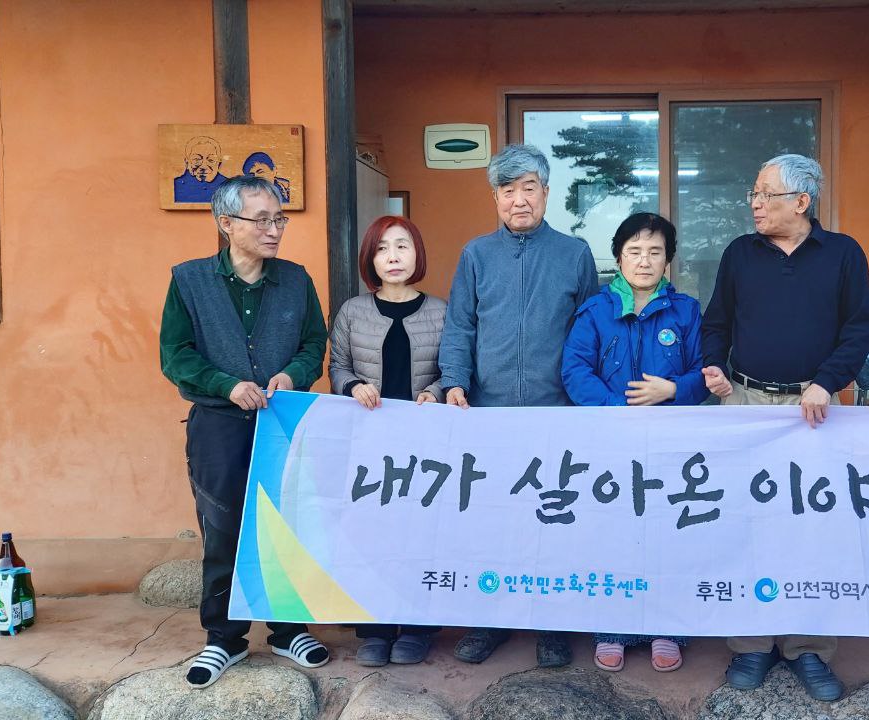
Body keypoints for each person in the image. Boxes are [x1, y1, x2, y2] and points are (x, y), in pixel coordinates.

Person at [700, 153, 869, 701]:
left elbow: (859, 329)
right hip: (745, 402)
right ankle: (751, 644)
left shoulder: (843, 254)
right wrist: (714, 367)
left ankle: (809, 647)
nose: (754, 203)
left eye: (765, 194)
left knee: (812, 527)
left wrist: (826, 381)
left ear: (801, 201)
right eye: (753, 194)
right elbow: (716, 322)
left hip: (814, 409)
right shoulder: (739, 253)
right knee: (744, 524)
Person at [159, 176, 330, 688]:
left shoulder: (295, 280)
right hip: (218, 425)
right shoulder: (189, 281)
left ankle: (288, 630)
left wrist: (293, 375)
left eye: (279, 219)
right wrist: (226, 384)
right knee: (222, 527)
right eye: (262, 220)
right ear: (226, 224)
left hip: (281, 422)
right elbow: (176, 355)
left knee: (285, 524)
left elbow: (313, 343)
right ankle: (224, 637)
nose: (274, 229)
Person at [439, 143, 599, 667]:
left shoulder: (574, 254)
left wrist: (584, 398)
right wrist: (454, 381)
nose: (518, 200)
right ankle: (490, 619)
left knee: (554, 520)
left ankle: (552, 625)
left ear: (546, 193)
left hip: (557, 413)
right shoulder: (476, 255)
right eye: (507, 190)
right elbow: (460, 325)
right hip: (490, 413)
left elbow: (591, 333)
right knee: (494, 520)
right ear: (495, 198)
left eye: (528, 188)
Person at [561, 212, 706, 672]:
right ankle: (612, 628)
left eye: (655, 252)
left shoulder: (686, 311)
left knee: (668, 533)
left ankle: (668, 628)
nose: (644, 261)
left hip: (670, 443)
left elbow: (704, 372)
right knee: (612, 532)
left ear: (668, 260)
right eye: (634, 252)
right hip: (610, 443)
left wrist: (673, 389)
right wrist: (613, 409)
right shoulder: (595, 311)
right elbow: (574, 370)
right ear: (619, 258)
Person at [328, 215, 446, 667]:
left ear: (417, 254)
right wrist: (352, 385)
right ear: (370, 259)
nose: (392, 256)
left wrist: (434, 392)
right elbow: (337, 365)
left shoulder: (442, 311)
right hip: (368, 441)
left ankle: (416, 627)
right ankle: (373, 629)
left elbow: (454, 368)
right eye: (381, 248)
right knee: (370, 532)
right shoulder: (352, 312)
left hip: (424, 443)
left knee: (420, 532)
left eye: (402, 246)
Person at [173, 136, 229, 203]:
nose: (203, 166)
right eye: (197, 159)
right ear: (187, 162)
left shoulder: (229, 186)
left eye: (211, 160)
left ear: (219, 164)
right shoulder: (177, 185)